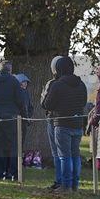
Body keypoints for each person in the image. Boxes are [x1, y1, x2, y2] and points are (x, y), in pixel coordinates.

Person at [43, 56, 87, 193]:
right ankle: (75, 185)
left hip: (62, 124)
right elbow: (83, 102)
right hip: (77, 123)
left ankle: (66, 186)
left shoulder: (57, 84)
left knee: (64, 156)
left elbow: (47, 104)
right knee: (75, 155)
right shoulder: (81, 84)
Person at [0, 60, 24, 180]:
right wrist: (19, 111)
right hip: (11, 116)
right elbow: (20, 100)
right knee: (13, 146)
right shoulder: (14, 82)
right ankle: (12, 173)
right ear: (10, 69)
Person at [40, 56, 63, 191]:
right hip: (70, 120)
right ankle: (70, 180)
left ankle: (60, 180)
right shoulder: (77, 82)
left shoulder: (52, 83)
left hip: (54, 119)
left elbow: (44, 103)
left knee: (57, 152)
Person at [15, 73, 33, 148]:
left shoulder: (26, 92)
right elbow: (22, 107)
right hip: (18, 119)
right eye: (23, 82)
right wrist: (27, 117)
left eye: (26, 82)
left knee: (22, 140)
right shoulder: (17, 92)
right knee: (17, 140)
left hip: (25, 119)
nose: (25, 84)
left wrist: (29, 115)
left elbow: (29, 105)